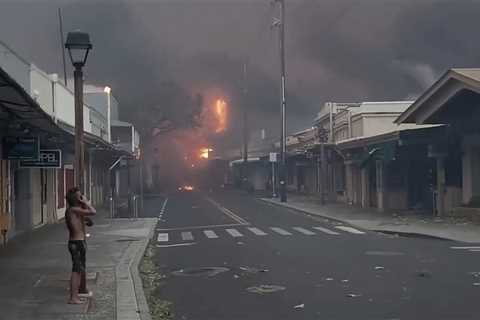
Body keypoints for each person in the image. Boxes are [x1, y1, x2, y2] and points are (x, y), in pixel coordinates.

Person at [65, 187, 96, 304]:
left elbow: (88, 220)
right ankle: (73, 297)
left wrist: (85, 219)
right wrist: (86, 202)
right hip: (76, 243)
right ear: (77, 199)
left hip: (79, 242)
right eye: (80, 196)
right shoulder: (73, 210)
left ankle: (77, 293)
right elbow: (93, 211)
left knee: (79, 269)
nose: (82, 197)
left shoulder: (76, 211)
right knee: (76, 270)